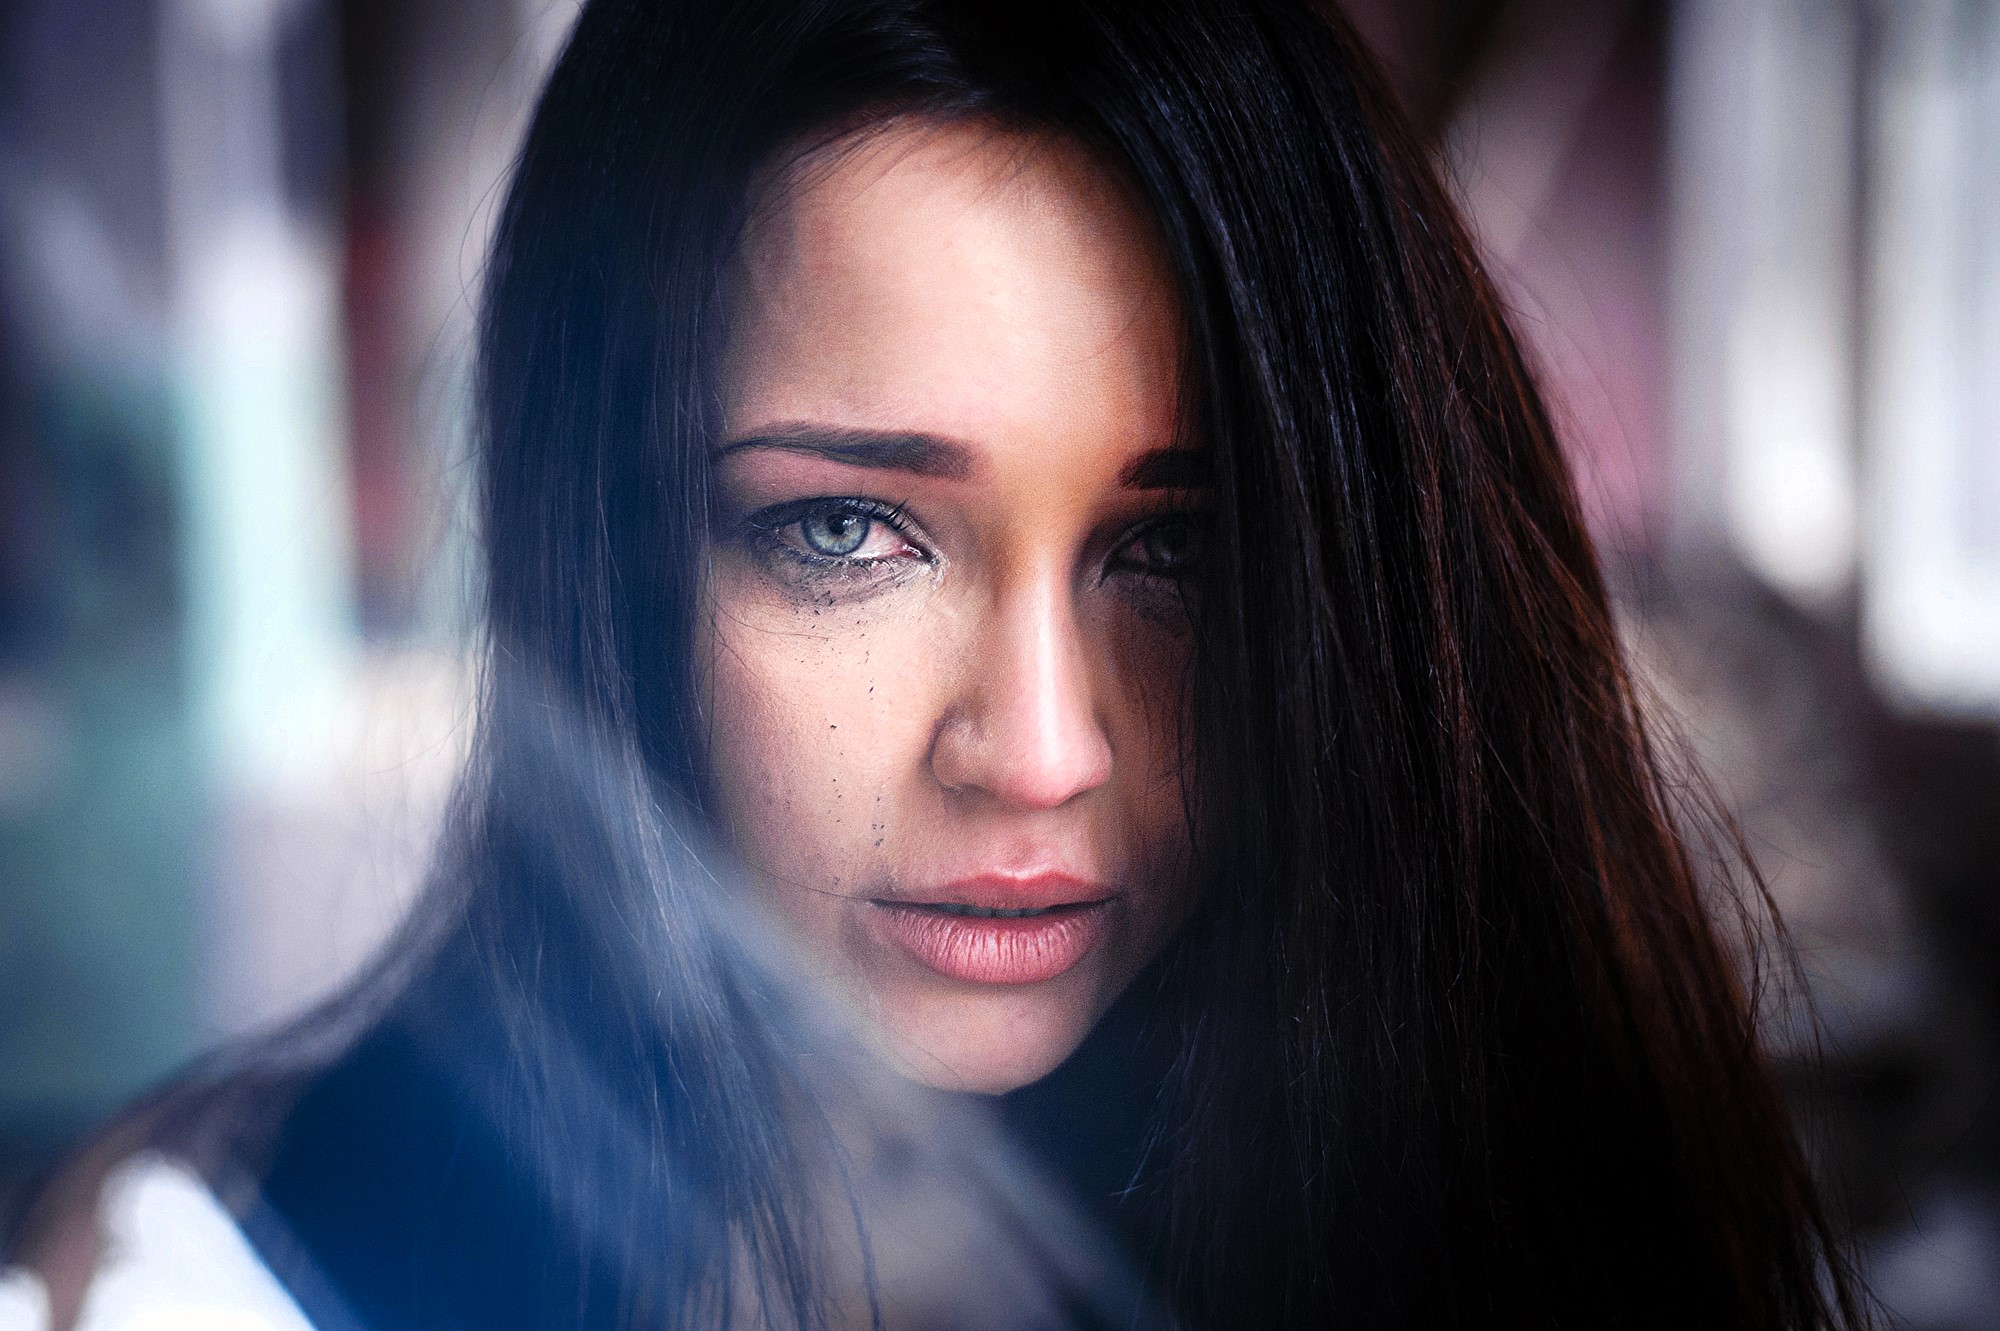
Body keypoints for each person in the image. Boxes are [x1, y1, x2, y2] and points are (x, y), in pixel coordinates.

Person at [1, 1, 1869, 1327]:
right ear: (609, 552)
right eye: (846, 534)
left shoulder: (1540, 1221)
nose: (1042, 752)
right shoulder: (227, 1278)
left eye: (1174, 553)